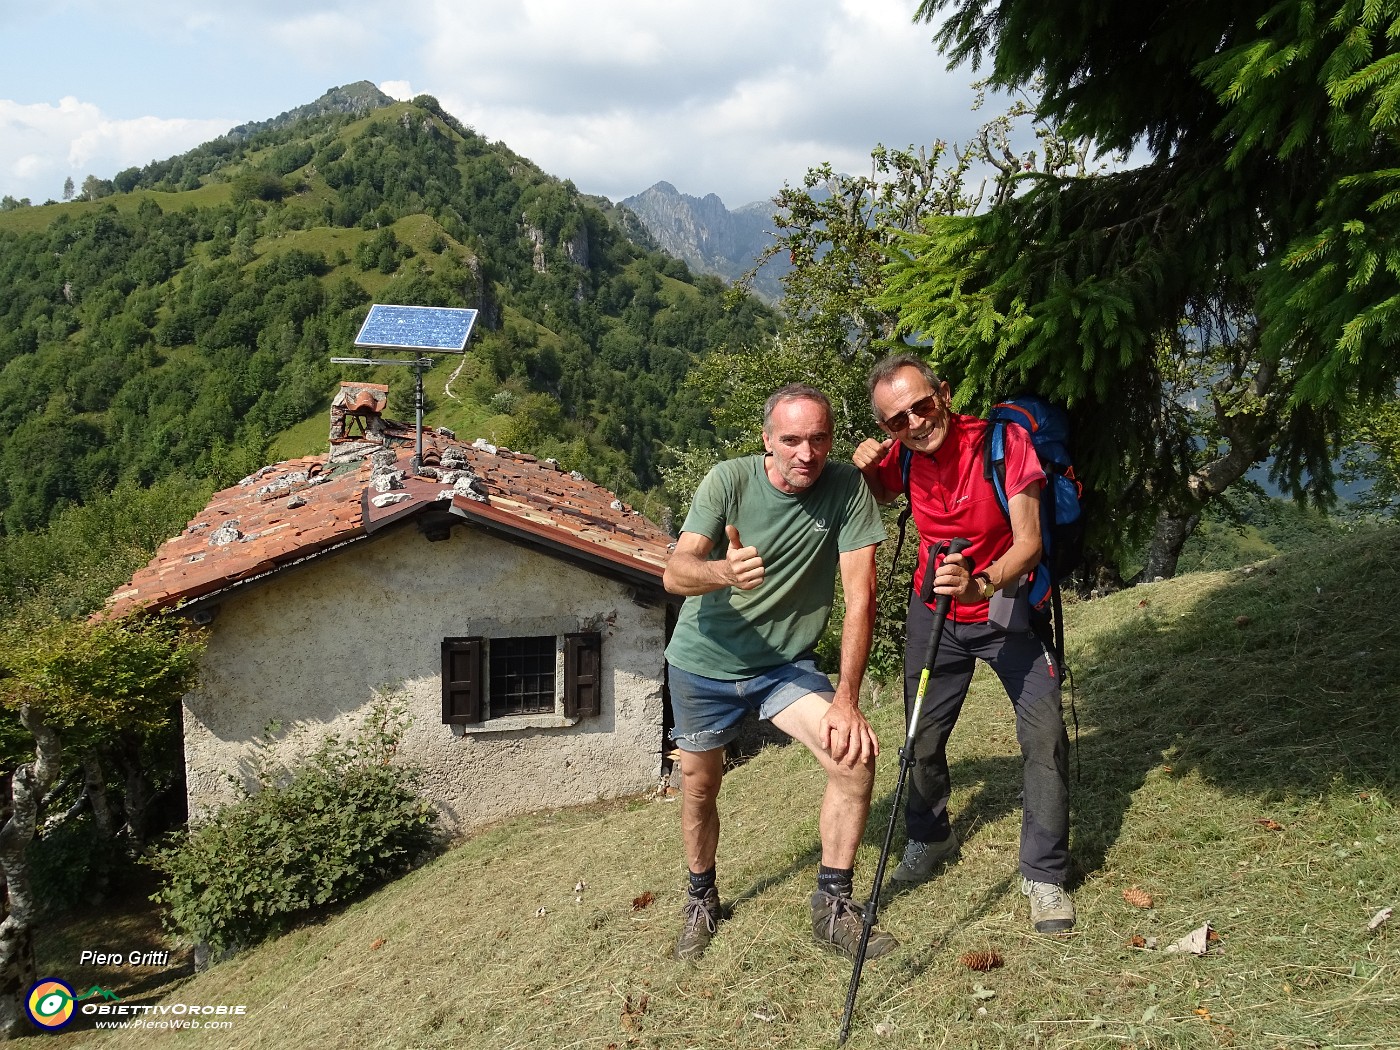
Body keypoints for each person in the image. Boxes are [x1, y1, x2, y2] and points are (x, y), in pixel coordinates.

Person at [662, 383, 894, 962]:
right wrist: (722, 572)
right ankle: (701, 896)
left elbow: (860, 599)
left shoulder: (847, 490)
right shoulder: (728, 480)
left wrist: (846, 698)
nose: (806, 453)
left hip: (783, 668)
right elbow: (675, 572)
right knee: (699, 788)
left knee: (854, 756)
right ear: (767, 440)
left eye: (819, 439)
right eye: (791, 439)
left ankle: (833, 904)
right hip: (702, 664)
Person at [852, 353, 1075, 934]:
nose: (915, 424)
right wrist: (865, 466)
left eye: (921, 406)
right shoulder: (902, 454)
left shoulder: (1002, 445)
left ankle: (1044, 876)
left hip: (1007, 606)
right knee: (920, 734)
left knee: (1044, 736)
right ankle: (931, 837)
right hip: (936, 612)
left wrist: (982, 581)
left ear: (943, 394)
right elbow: (879, 493)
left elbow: (1028, 542)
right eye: (896, 421)